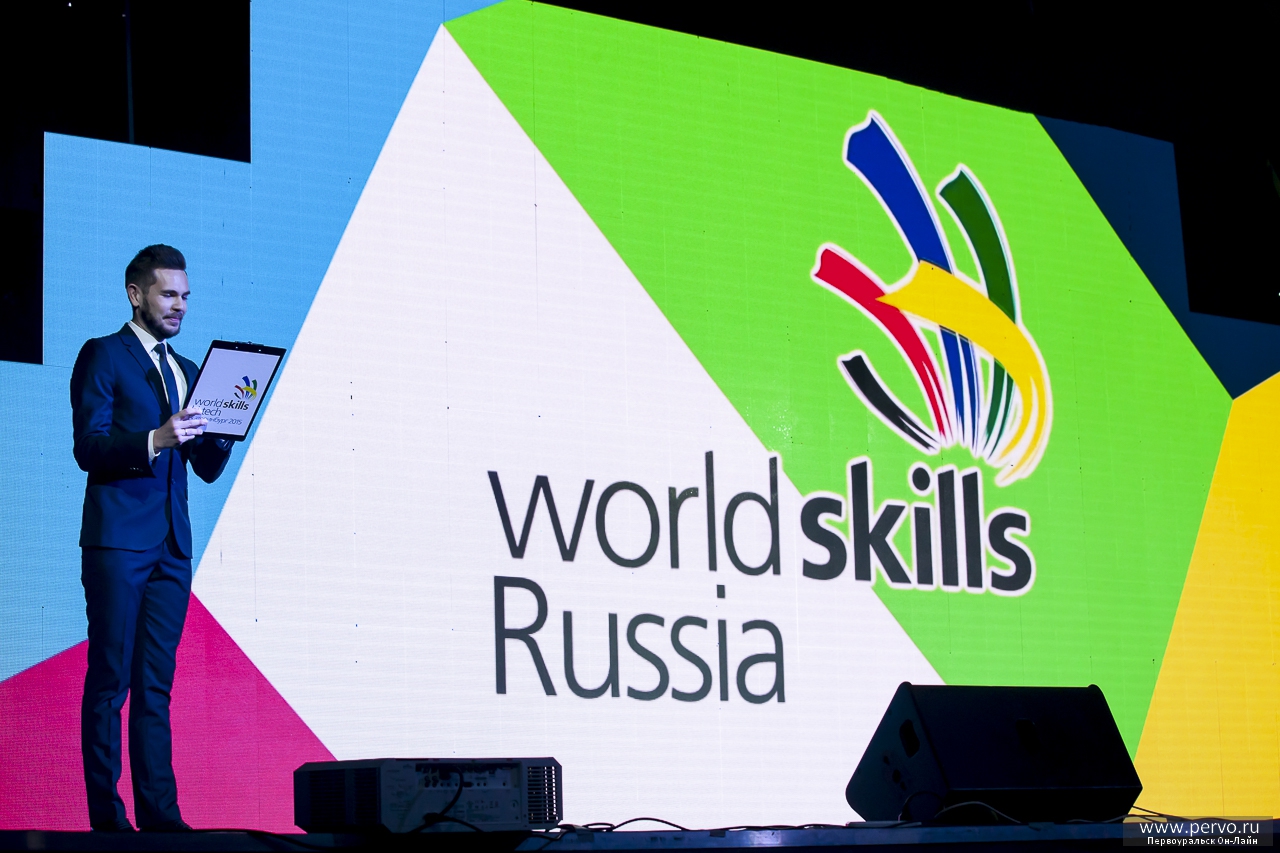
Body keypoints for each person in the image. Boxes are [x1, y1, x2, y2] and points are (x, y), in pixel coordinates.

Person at [70, 244, 233, 832]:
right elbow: (88, 447)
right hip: (118, 543)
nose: (179, 306)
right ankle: (108, 822)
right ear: (136, 294)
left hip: (171, 547)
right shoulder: (103, 355)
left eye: (186, 296)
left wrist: (227, 423)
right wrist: (155, 439)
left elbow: (205, 467)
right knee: (110, 681)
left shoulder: (187, 370)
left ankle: (161, 819)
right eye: (168, 294)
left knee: (155, 689)